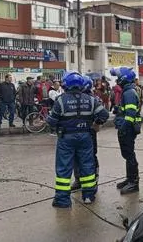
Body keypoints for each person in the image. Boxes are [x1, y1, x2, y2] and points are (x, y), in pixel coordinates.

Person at [46, 71, 109, 207]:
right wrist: (96, 124)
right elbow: (104, 114)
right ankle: (88, 196)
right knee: (87, 165)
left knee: (64, 168)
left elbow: (51, 122)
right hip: (86, 137)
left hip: (66, 138)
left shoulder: (61, 100)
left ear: (66, 84)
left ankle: (62, 200)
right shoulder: (91, 100)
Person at [111, 67, 143, 194]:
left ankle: (133, 183)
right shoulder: (128, 91)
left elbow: (130, 115)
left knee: (129, 155)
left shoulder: (129, 93)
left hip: (127, 129)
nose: (118, 79)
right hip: (127, 128)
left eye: (119, 77)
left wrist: (123, 128)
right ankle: (129, 179)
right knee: (127, 154)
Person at [71, 76, 101, 191]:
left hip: (89, 132)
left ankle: (93, 180)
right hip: (77, 131)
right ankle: (78, 180)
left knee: (91, 157)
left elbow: (101, 114)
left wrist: (96, 124)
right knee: (76, 156)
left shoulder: (91, 99)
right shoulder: (75, 97)